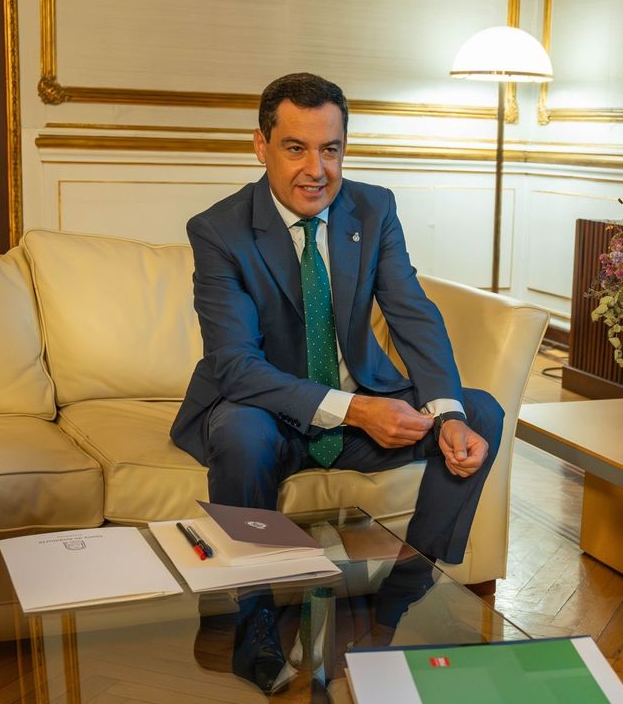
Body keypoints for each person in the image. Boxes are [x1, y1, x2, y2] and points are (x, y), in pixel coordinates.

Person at [171, 72, 502, 567]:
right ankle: (252, 607)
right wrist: (357, 411)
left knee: (479, 414)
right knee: (242, 435)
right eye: (295, 148)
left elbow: (412, 315)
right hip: (267, 412)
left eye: (330, 149)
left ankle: (411, 587)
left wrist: (447, 414)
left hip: (358, 414)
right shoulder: (220, 230)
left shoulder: (374, 208)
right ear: (261, 147)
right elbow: (235, 365)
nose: (316, 169)